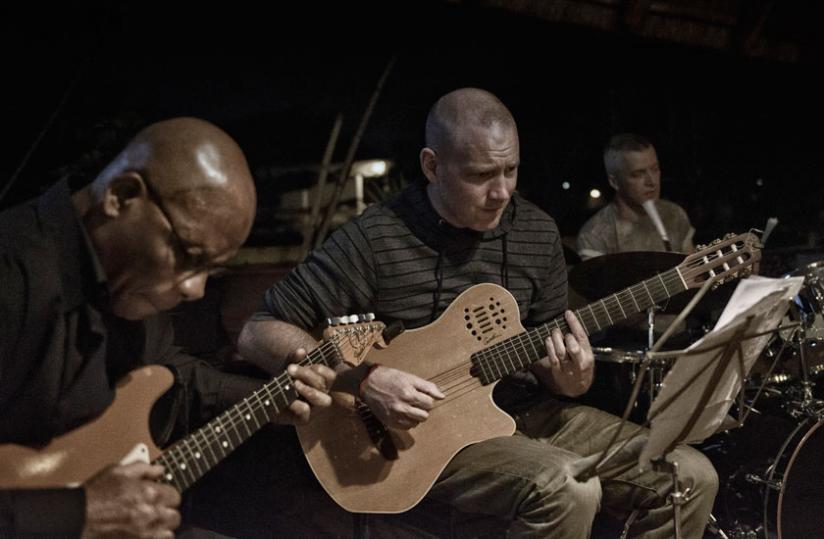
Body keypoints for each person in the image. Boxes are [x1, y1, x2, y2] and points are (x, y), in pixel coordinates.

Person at [238, 89, 718, 538]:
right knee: (568, 487)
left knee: (690, 474)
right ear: (432, 166)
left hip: (530, 411)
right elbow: (259, 332)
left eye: (511, 170)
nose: (502, 191)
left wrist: (572, 378)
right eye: (481, 175)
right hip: (429, 430)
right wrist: (363, 380)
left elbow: (555, 366)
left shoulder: (537, 233)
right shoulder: (376, 238)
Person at [0, 117, 335, 538]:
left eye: (212, 269)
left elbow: (170, 376)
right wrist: (81, 513)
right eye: (188, 255)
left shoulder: (130, 282)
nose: (196, 289)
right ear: (122, 196)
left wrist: (271, 398)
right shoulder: (13, 275)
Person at [577, 133, 695, 260]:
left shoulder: (674, 214)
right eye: (638, 174)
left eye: (655, 169)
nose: (651, 182)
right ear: (614, 182)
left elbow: (693, 268)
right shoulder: (595, 235)